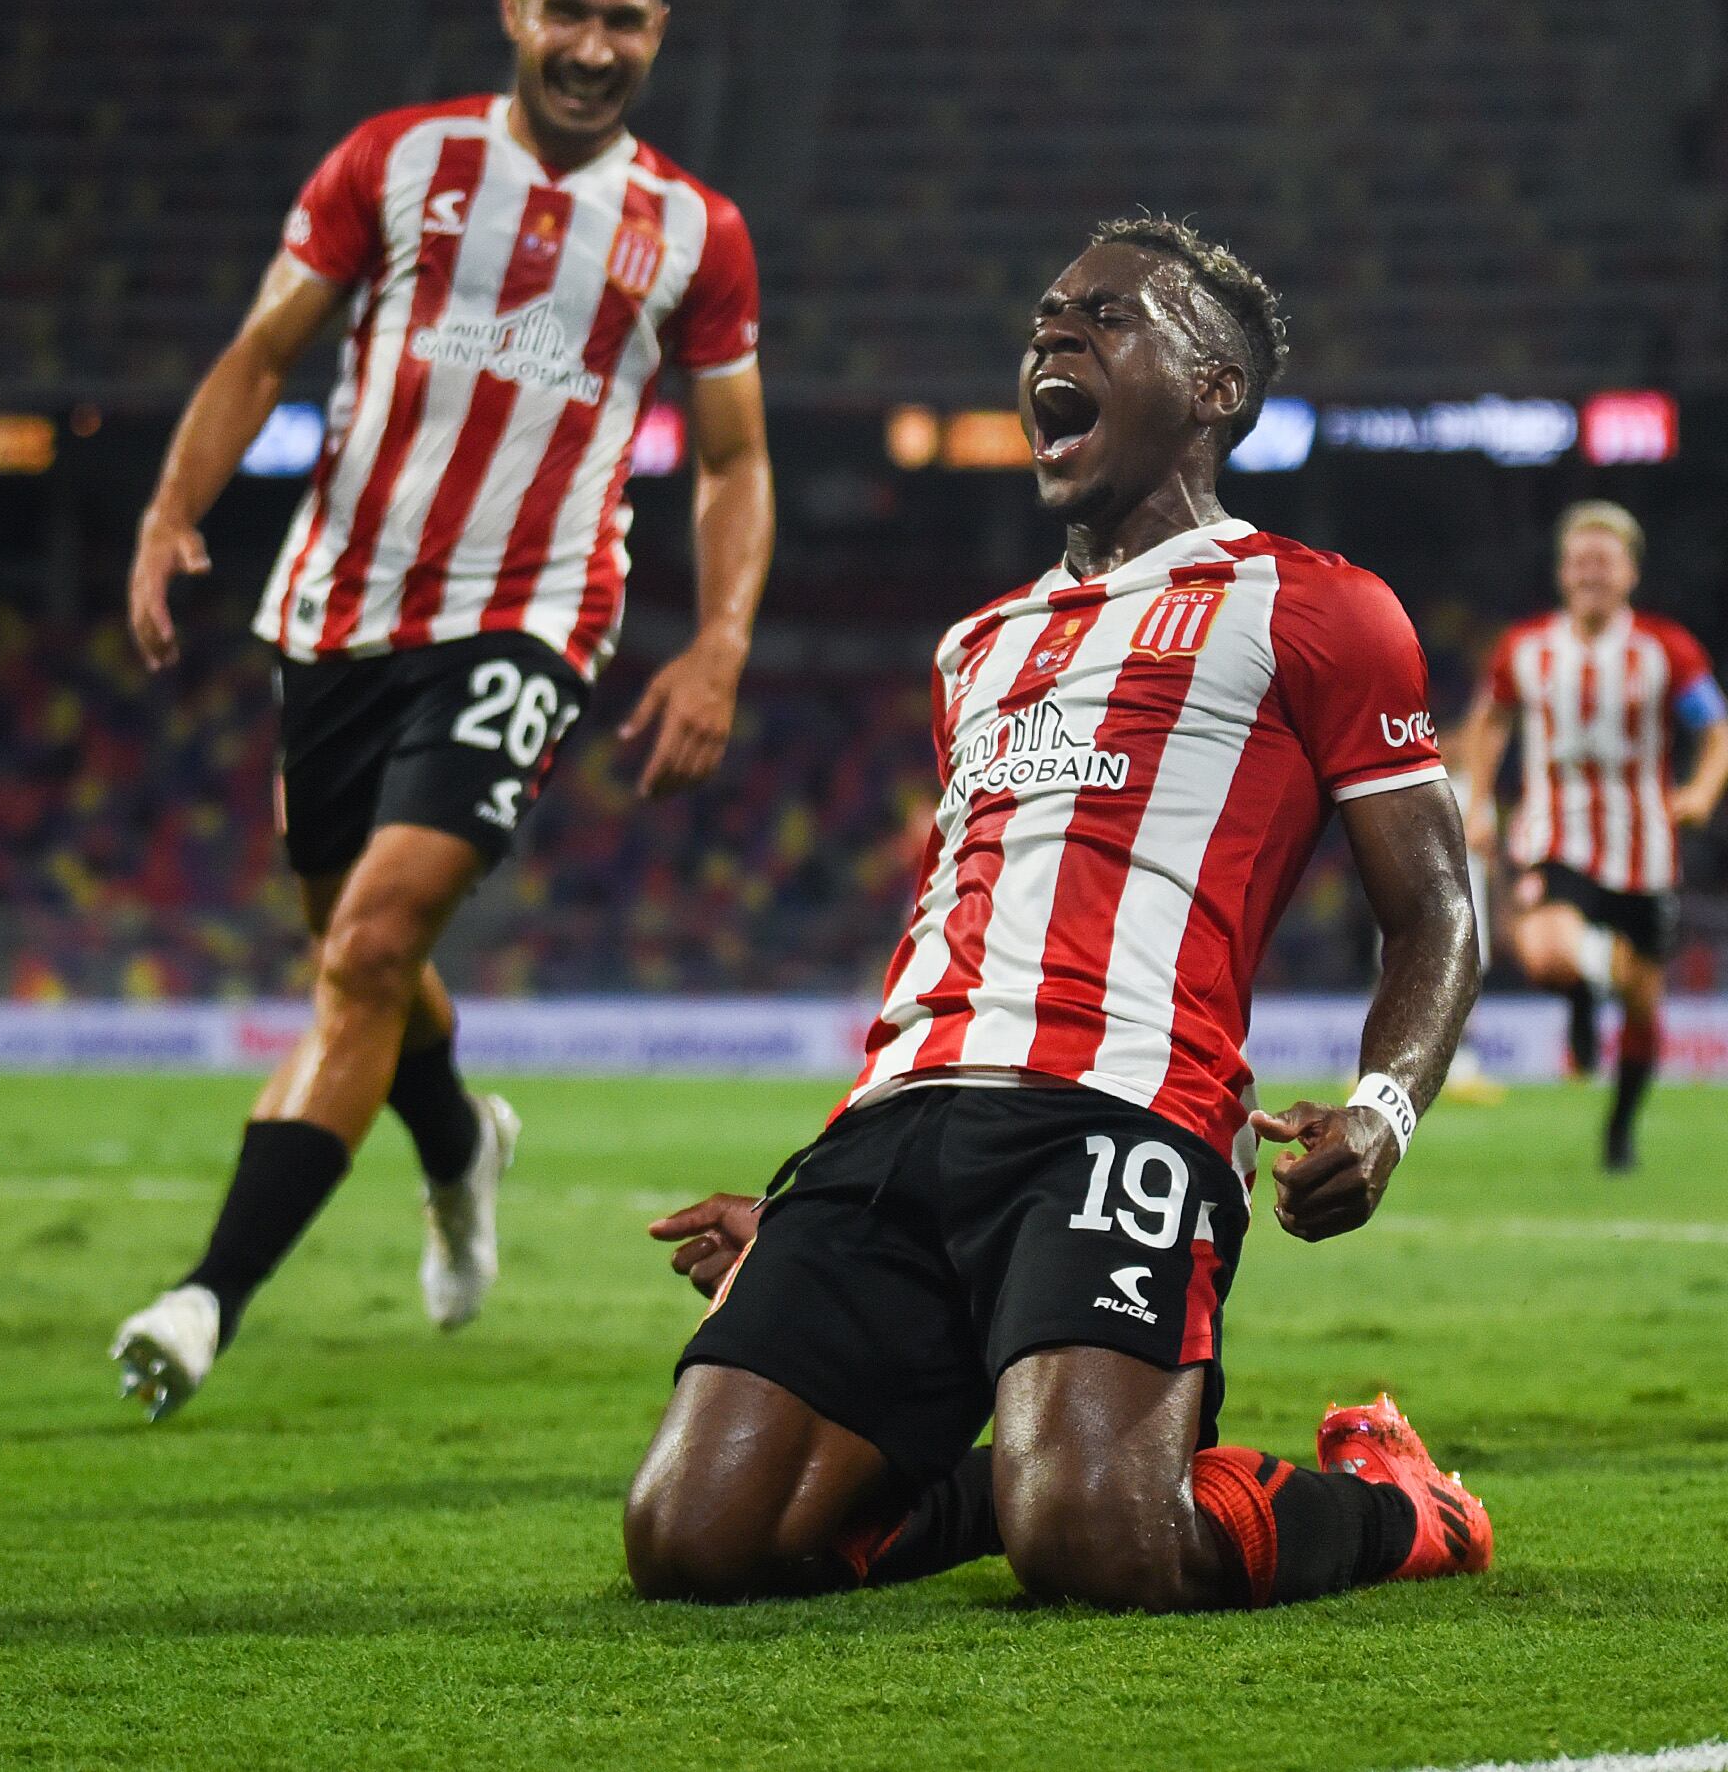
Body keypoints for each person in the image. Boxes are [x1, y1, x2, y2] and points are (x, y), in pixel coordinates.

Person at [623, 217, 1493, 1612]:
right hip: (899, 1121)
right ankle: (1022, 1444)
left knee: (1096, 1546)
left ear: (1214, 392)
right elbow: (972, 913)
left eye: (1107, 315)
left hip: (1125, 1110)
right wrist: (815, 1204)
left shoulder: (1316, 607)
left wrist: (1386, 1109)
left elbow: (1440, 905)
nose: (1054, 336)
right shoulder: (974, 647)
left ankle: (1396, 1503)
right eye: (1044, 317)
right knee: (693, 1538)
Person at [108, 0, 775, 1418]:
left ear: (658, 36)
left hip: (533, 613)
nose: (591, 45)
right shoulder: (395, 162)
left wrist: (721, 640)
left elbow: (734, 462)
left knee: (365, 950)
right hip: (337, 609)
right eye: (568, 11)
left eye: (622, 20)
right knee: (367, 954)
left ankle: (207, 1298)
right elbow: (264, 350)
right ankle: (460, 1142)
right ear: (514, 12)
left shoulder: (694, 231)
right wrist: (166, 514)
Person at [1450, 501, 1728, 1172]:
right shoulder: (1526, 648)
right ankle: (1579, 996)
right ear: (1562, 573)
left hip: (1645, 851)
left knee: (1642, 1002)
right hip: (1556, 833)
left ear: (1630, 573)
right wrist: (1481, 801)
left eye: (1603, 561)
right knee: (1546, 952)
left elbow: (1719, 732)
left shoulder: (1666, 649)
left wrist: (1701, 792)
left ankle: (1619, 1130)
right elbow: (1489, 721)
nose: (1590, 573)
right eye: (1579, 561)